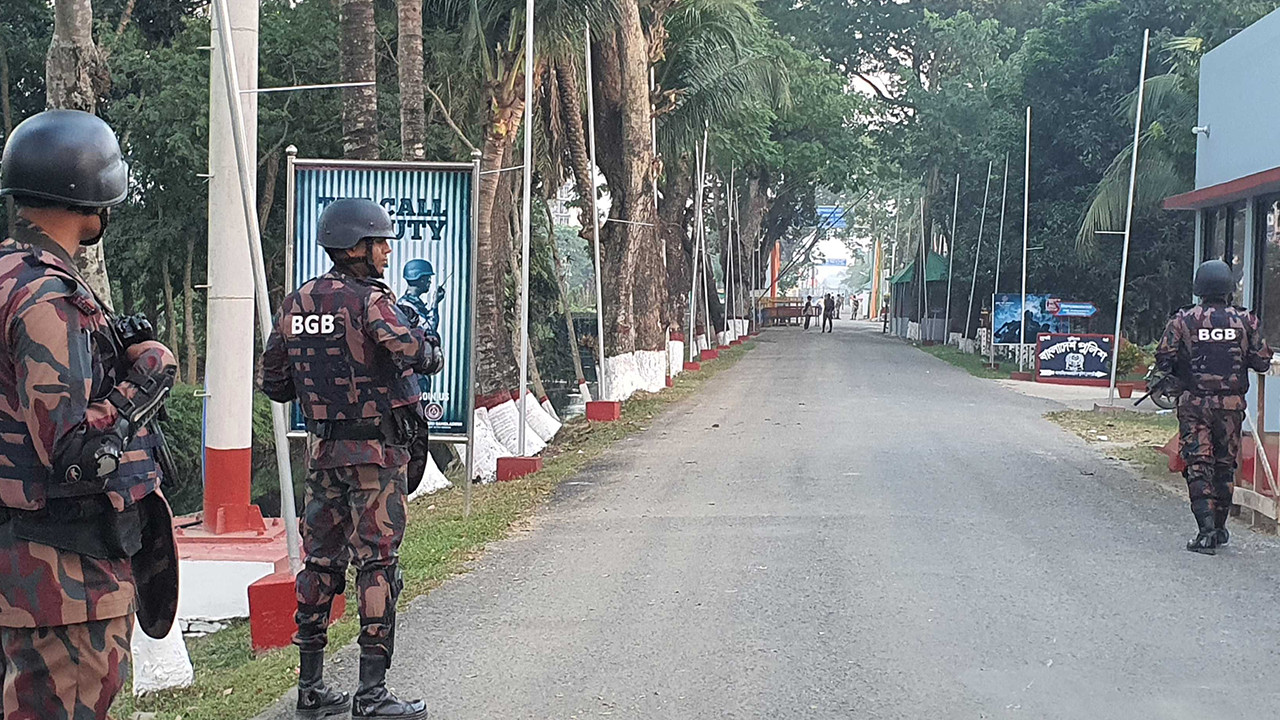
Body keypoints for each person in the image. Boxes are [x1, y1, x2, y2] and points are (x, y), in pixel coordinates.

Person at [0, 109, 180, 719]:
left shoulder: (8, 276)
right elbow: (71, 449)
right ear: (90, 195)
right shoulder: (47, 295)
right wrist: (144, 380)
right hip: (64, 575)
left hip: (25, 563)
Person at [259, 198, 443, 719]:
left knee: (319, 563)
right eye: (380, 241)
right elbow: (417, 354)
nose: (387, 250)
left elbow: (273, 383)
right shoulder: (371, 302)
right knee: (378, 566)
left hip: (323, 457)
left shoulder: (297, 304)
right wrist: (426, 345)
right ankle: (371, 693)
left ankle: (311, 688)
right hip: (375, 457)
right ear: (356, 248)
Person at [1155, 259, 1273, 555]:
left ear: (1199, 289)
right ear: (1229, 290)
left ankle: (1205, 531)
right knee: (1224, 466)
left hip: (1194, 404)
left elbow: (1164, 360)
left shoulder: (1182, 320)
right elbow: (1261, 361)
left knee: (1198, 465)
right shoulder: (1247, 321)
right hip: (1231, 406)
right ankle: (1220, 529)